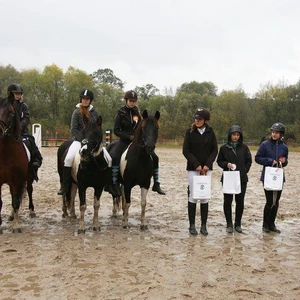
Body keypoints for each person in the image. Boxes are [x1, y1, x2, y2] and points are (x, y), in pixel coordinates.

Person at [108, 90, 165, 196]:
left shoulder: (138, 113)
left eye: (134, 101)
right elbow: (116, 130)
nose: (132, 103)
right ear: (126, 100)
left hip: (137, 142)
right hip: (124, 141)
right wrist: (129, 136)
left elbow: (141, 127)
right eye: (130, 101)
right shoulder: (121, 112)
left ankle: (156, 183)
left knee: (155, 157)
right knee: (115, 156)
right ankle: (114, 183)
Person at [58, 89, 103, 195]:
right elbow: (73, 129)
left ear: (90, 100)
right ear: (81, 99)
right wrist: (82, 138)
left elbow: (98, 128)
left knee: (108, 158)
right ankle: (65, 185)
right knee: (68, 158)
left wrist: (95, 140)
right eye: (83, 99)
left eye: (87, 99)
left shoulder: (95, 113)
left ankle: (108, 183)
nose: (85, 101)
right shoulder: (76, 112)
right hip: (79, 141)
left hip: (92, 142)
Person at [182, 108, 218, 236]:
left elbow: (215, 150)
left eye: (200, 119)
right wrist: (196, 164)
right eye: (196, 119)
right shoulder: (190, 132)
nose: (197, 121)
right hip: (193, 169)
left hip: (207, 169)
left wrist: (208, 164)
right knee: (193, 196)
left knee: (204, 197)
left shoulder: (211, 132)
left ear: (205, 120)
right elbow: (186, 150)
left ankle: (203, 225)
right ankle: (192, 225)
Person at [217, 125, 252, 234]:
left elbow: (249, 161)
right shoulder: (224, 148)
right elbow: (219, 161)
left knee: (240, 201)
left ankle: (238, 224)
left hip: (241, 179)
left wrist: (244, 171)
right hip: (228, 178)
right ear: (230, 135)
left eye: (237, 135)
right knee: (227, 201)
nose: (235, 137)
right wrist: (226, 164)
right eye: (233, 135)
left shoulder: (245, 147)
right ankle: (229, 224)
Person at [255, 122, 288, 233]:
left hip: (279, 176)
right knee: (269, 201)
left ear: (281, 134)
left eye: (277, 133)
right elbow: (258, 158)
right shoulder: (264, 145)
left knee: (276, 201)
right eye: (273, 132)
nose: (274, 134)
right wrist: (270, 161)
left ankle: (272, 224)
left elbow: (285, 162)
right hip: (268, 175)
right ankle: (265, 224)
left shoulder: (284, 147)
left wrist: (284, 161)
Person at [7, 83, 43, 181]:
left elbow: (26, 118)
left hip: (21, 132)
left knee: (30, 141)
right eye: (15, 93)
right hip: (7, 132)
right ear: (10, 94)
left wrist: (19, 127)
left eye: (19, 93)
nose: (18, 95)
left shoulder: (24, 106)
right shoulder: (6, 105)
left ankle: (34, 164)